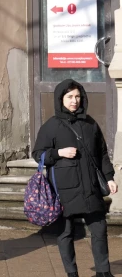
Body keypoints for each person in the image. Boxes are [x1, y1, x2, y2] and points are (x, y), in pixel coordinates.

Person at [33, 79, 117, 277]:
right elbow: (38, 154)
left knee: (99, 228)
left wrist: (109, 177)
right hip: (64, 189)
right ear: (61, 98)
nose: (74, 101)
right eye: (70, 97)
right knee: (66, 233)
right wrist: (59, 152)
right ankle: (72, 273)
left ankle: (103, 272)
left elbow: (102, 153)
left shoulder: (90, 124)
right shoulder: (51, 126)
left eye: (78, 96)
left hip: (90, 187)